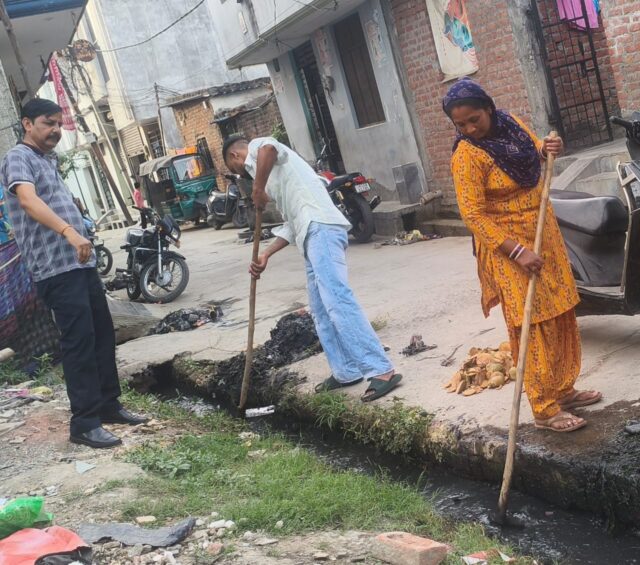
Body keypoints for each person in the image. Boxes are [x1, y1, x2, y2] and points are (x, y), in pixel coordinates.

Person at [443, 78, 602, 432]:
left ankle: (563, 390)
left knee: (560, 310)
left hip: (544, 233)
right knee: (533, 322)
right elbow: (473, 215)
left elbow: (536, 152)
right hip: (508, 247)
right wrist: (517, 252)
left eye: (474, 120)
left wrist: (549, 147)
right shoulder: (467, 155)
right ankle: (544, 408)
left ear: (489, 108)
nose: (469, 129)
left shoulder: (511, 125)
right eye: (460, 124)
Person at [0, 98, 147, 448]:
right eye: (48, 123)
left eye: (58, 123)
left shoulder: (47, 160)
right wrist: (69, 231)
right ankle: (84, 423)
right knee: (78, 341)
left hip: (80, 264)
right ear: (27, 124)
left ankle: (108, 405)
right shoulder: (18, 157)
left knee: (102, 333)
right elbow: (28, 200)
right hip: (55, 268)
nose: (56, 130)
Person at [223, 134, 402, 402]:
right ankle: (345, 371)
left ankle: (382, 371)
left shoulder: (261, 146)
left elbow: (269, 149)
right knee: (320, 310)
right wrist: (266, 254)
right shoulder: (277, 179)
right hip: (309, 234)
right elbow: (292, 224)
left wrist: (257, 190)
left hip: (322, 229)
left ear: (235, 156)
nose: (241, 174)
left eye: (235, 168)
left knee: (337, 301)